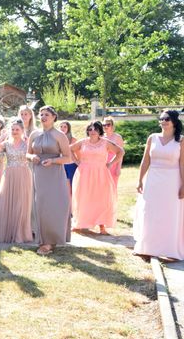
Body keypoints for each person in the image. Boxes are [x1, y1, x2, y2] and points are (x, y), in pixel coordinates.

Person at [133, 110, 184, 260]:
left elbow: (182, 164)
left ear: (174, 121)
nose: (163, 121)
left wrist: (183, 184)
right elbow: (145, 161)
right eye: (161, 118)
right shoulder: (152, 138)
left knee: (170, 214)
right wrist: (140, 179)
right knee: (149, 212)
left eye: (166, 118)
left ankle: (170, 249)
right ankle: (147, 247)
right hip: (153, 179)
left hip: (172, 181)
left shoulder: (181, 141)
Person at [26, 105, 72, 256]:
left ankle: (50, 241)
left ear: (53, 117)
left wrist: (53, 161)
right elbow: (27, 154)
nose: (43, 116)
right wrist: (32, 157)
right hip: (38, 173)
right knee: (39, 205)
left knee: (53, 206)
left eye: (46, 114)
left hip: (54, 174)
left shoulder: (59, 135)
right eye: (41, 114)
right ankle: (41, 238)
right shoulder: (34, 134)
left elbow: (68, 157)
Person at [70, 121, 124, 235]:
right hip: (84, 172)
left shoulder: (106, 143)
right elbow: (70, 149)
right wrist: (76, 161)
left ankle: (102, 226)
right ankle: (80, 223)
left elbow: (120, 152)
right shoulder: (83, 142)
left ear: (100, 130)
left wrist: (110, 163)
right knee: (83, 197)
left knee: (101, 198)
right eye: (90, 129)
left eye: (95, 129)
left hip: (101, 173)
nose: (92, 131)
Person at [0, 118, 33, 243]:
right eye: (12, 129)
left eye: (17, 129)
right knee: (7, 202)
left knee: (21, 204)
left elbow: (33, 153)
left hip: (23, 174)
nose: (14, 131)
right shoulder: (7, 143)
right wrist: (2, 136)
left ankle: (20, 233)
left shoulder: (27, 143)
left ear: (22, 130)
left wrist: (29, 140)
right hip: (9, 175)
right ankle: (8, 232)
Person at [102, 116, 125, 191]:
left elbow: (121, 154)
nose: (106, 126)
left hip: (113, 164)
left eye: (108, 125)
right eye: (104, 125)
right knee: (102, 187)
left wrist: (118, 167)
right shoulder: (101, 137)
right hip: (102, 164)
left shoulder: (117, 137)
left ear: (112, 126)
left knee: (112, 187)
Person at [59, 120, 78, 190]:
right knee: (64, 188)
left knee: (72, 187)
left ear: (68, 129)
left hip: (71, 165)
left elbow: (78, 154)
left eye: (65, 127)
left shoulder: (73, 140)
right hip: (62, 166)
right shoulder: (57, 139)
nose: (62, 128)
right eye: (61, 127)